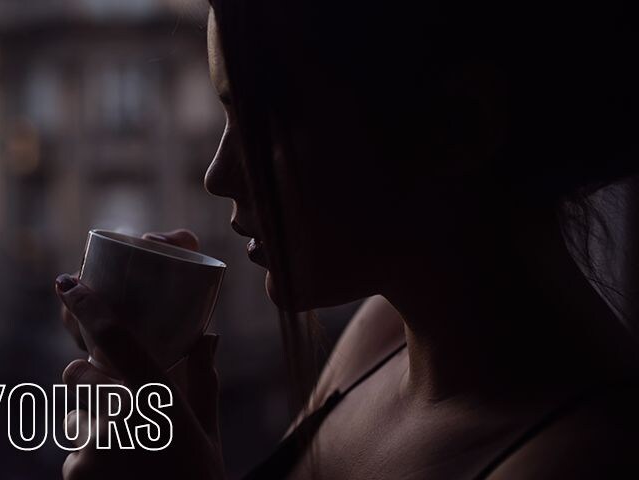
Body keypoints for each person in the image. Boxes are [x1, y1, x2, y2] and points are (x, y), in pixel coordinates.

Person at [54, 0, 639, 478]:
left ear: (457, 126)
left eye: (262, 125)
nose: (217, 175)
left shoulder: (586, 458)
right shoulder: (380, 335)